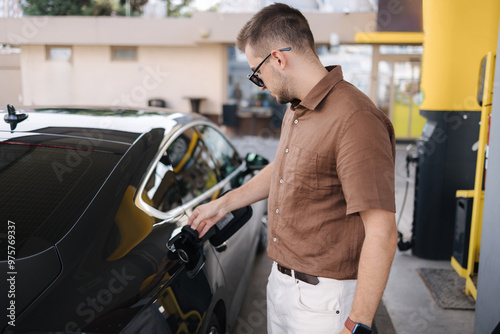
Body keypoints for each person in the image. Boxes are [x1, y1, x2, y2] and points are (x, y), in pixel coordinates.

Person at [188, 3, 397, 334]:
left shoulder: (356, 120)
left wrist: (357, 325)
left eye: (257, 74)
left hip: (325, 304)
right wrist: (224, 202)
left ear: (278, 59)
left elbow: (383, 232)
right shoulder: (297, 108)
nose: (259, 85)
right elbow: (284, 169)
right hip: (282, 285)